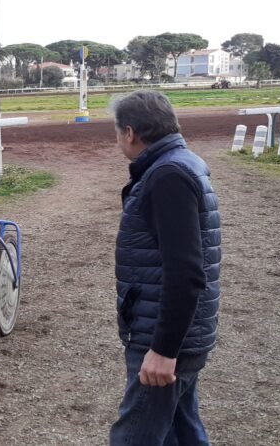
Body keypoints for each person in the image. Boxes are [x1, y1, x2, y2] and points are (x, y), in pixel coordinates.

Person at [108, 90, 221, 445]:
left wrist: (163, 350)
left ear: (130, 132)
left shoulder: (168, 175)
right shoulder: (182, 163)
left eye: (116, 132)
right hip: (180, 335)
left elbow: (186, 271)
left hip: (164, 338)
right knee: (182, 433)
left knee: (134, 437)